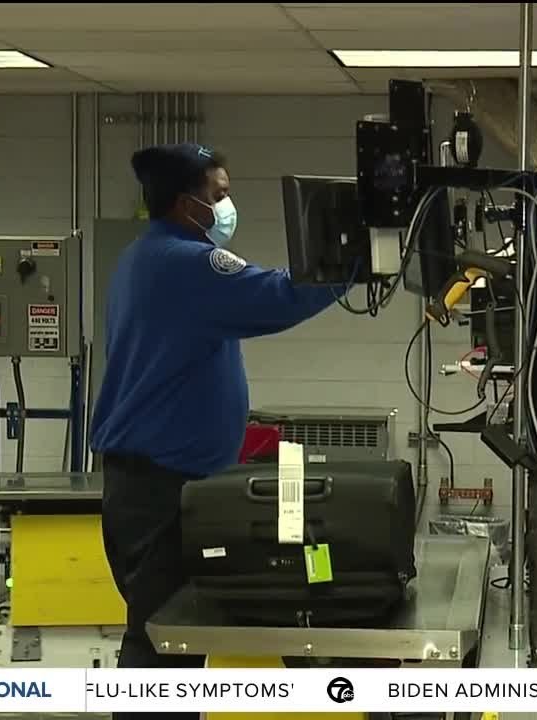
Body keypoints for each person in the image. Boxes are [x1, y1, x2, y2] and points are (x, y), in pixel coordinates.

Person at [89, 143, 342, 704]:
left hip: (156, 481)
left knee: (172, 639)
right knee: (161, 644)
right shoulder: (188, 262)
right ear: (187, 204)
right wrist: (355, 261)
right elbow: (280, 298)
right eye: (220, 195)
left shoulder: (142, 257)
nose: (228, 206)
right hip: (162, 490)